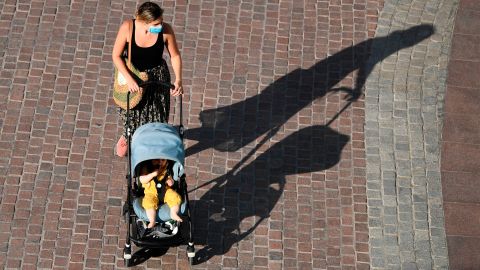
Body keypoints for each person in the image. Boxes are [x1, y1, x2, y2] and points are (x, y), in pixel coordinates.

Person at [112, 1, 183, 157]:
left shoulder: (165, 31)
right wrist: (129, 79)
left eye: (161, 21)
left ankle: (154, 142)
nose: (160, 25)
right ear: (144, 22)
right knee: (132, 111)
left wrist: (178, 79)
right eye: (157, 23)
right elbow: (116, 56)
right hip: (134, 75)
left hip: (157, 77)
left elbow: (175, 55)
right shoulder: (128, 28)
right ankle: (127, 134)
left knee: (158, 113)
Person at [137, 159, 183, 236]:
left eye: (163, 160)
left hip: (165, 191)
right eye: (157, 160)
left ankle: (173, 213)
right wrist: (151, 175)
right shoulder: (146, 168)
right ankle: (152, 220)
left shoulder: (167, 168)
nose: (160, 162)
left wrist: (170, 181)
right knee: (148, 203)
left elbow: (170, 178)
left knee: (175, 197)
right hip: (151, 193)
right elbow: (142, 180)